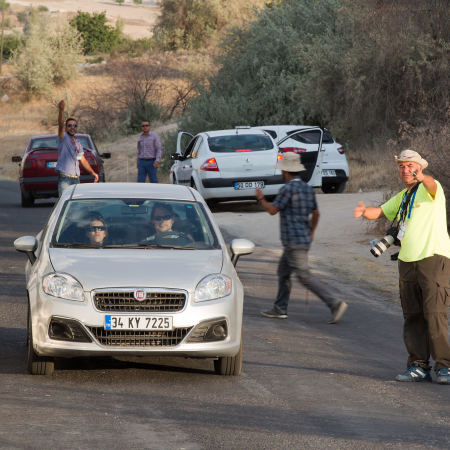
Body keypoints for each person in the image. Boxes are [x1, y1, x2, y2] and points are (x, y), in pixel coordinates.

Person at [353, 149, 450, 384]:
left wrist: (423, 178)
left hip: (432, 258)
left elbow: (431, 185)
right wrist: (365, 212)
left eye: (410, 166)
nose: (405, 170)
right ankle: (418, 366)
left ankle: (445, 367)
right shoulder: (403, 196)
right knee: (412, 315)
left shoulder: (431, 188)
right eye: (401, 166)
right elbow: (380, 211)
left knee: (435, 313)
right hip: (406, 261)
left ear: (420, 168)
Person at [256, 152, 348, 324]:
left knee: (304, 276)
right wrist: (312, 231)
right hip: (302, 240)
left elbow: (272, 210)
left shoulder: (287, 189)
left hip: (293, 242)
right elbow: (316, 213)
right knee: (283, 272)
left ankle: (335, 303)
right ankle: (279, 308)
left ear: (285, 171)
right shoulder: (307, 189)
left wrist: (261, 198)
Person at [55, 100, 98, 196]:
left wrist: (92, 172)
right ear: (66, 128)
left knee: (75, 203)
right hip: (65, 179)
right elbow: (60, 125)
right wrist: (61, 110)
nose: (72, 127)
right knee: (64, 202)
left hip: (76, 179)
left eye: (75, 125)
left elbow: (82, 159)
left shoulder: (78, 142)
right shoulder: (63, 138)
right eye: (69, 125)